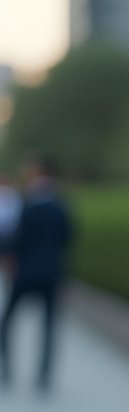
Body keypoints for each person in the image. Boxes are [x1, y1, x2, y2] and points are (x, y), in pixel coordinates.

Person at [0, 154, 73, 392]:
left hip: (25, 272)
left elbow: (16, 237)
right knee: (49, 326)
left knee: (7, 321)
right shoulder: (61, 205)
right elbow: (67, 239)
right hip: (51, 272)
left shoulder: (27, 204)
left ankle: (7, 369)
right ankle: (44, 376)